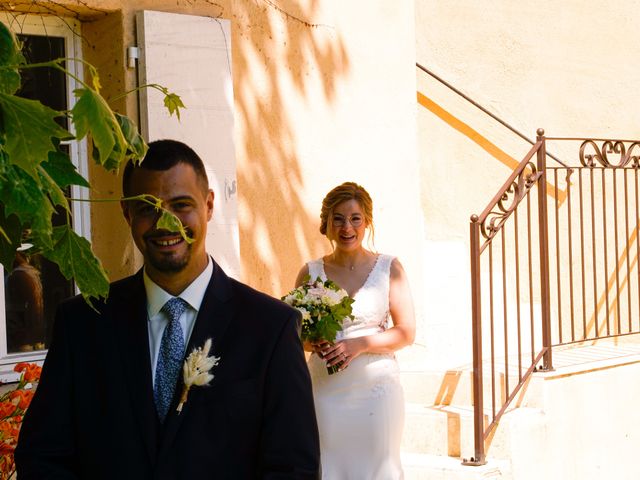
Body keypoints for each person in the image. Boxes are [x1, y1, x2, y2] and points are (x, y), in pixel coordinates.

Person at [16, 139, 320, 479]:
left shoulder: (270, 328)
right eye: (147, 207)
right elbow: (42, 456)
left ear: (208, 205)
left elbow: (295, 469)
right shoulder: (82, 323)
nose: (165, 222)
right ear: (126, 212)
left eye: (181, 205)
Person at [294, 181, 415, 480]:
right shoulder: (310, 273)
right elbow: (296, 334)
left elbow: (406, 331)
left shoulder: (390, 268)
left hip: (376, 391)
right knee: (329, 466)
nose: (347, 227)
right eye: (338, 219)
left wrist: (359, 344)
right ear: (327, 224)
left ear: (367, 222)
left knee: (378, 468)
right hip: (325, 390)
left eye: (355, 218)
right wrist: (314, 341)